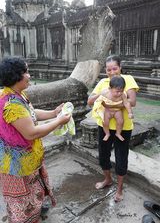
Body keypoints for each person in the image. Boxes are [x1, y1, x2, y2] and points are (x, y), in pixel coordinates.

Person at [0, 57, 71, 223]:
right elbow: (31, 133)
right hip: (17, 165)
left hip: (28, 158)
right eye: (26, 72)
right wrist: (59, 121)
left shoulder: (18, 95)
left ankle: (35, 212)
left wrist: (53, 113)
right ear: (15, 76)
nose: (29, 76)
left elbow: (31, 113)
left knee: (34, 191)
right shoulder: (11, 104)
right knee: (22, 203)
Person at [87, 55, 139, 202]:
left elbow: (132, 101)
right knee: (103, 155)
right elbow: (90, 101)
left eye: (115, 68)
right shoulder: (103, 82)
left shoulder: (128, 79)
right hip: (104, 126)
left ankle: (120, 188)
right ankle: (108, 179)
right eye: (109, 69)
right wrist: (101, 95)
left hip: (123, 127)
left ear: (120, 67)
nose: (112, 72)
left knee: (121, 158)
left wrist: (111, 103)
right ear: (106, 70)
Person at [92, 75, 134, 142]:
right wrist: (98, 107)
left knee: (120, 122)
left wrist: (130, 112)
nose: (119, 93)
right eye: (117, 91)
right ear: (110, 88)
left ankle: (118, 133)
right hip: (108, 111)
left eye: (121, 90)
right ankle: (107, 133)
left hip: (117, 111)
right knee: (105, 122)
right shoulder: (105, 93)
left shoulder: (123, 95)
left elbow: (126, 103)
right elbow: (98, 101)